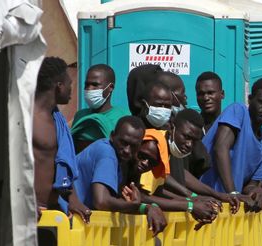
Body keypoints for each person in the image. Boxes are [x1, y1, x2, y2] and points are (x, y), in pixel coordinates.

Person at [73, 116, 166, 235]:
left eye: (133, 146)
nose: (127, 150)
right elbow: (101, 201)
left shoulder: (119, 162)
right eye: (123, 143)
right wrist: (136, 206)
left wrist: (144, 207)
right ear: (112, 136)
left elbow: (116, 201)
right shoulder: (107, 153)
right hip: (67, 223)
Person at [200, 78, 262, 210]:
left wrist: (256, 191)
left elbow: (250, 185)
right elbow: (220, 148)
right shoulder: (238, 111)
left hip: (228, 209)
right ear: (250, 99)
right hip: (202, 202)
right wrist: (232, 193)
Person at [32, 56, 89, 220]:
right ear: (59, 86)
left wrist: (73, 199)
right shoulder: (27, 118)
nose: (72, 88)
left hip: (53, 212)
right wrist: (24, 200)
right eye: (69, 83)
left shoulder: (57, 120)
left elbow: (61, 163)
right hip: (29, 212)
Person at [70, 64, 129, 152]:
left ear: (110, 87)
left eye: (95, 84)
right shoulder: (80, 115)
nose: (89, 89)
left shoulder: (124, 117)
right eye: (87, 84)